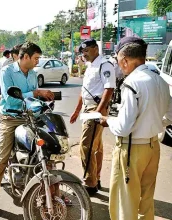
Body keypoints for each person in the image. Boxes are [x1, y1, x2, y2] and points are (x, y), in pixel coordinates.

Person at [99, 37, 172, 220]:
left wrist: (107, 120)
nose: (118, 65)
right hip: (152, 147)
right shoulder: (160, 81)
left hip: (131, 149)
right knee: (146, 201)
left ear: (124, 60)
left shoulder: (132, 83)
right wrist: (153, 123)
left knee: (125, 202)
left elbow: (123, 127)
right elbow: (170, 116)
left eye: (117, 61)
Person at [0, 42, 54, 218]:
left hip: (29, 117)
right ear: (26, 57)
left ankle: (52, 193)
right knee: (0, 160)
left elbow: (31, 98)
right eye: (36, 58)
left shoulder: (33, 73)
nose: (38, 62)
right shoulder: (7, 72)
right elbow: (10, 99)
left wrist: (45, 103)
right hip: (10, 118)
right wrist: (36, 94)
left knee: (46, 152)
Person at [70, 38, 116, 195]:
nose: (84, 54)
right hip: (88, 108)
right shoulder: (91, 66)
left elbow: (109, 89)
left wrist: (98, 111)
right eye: (83, 52)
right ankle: (95, 178)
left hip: (96, 109)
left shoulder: (104, 64)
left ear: (96, 48)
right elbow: (84, 91)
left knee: (86, 146)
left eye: (87, 50)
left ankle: (90, 183)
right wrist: (77, 111)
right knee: (96, 147)